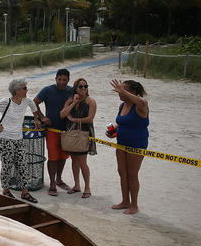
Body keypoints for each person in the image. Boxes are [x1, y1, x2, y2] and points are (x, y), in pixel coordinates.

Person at [0, 78, 42, 203]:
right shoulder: (6, 102)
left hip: (19, 139)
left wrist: (36, 119)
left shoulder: (26, 101)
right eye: (24, 88)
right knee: (7, 165)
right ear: (16, 90)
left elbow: (33, 106)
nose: (26, 90)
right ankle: (6, 191)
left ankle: (25, 193)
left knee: (23, 165)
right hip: (5, 139)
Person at [107, 79, 149, 215]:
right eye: (119, 89)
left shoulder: (140, 105)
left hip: (137, 144)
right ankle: (125, 201)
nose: (119, 92)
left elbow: (142, 102)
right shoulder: (122, 105)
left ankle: (134, 205)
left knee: (132, 174)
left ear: (132, 92)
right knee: (122, 172)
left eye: (123, 90)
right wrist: (113, 131)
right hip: (121, 143)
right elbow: (121, 122)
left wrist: (123, 91)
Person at [34, 69, 73, 196]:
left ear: (68, 80)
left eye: (64, 80)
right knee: (53, 157)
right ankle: (52, 182)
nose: (62, 82)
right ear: (55, 79)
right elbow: (34, 102)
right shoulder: (47, 90)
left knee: (63, 156)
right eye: (59, 79)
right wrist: (42, 117)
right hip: (51, 130)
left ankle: (59, 179)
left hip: (67, 130)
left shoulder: (71, 91)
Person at [60, 78, 97, 198]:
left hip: (84, 133)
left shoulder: (90, 101)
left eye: (85, 86)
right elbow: (62, 114)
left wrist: (75, 120)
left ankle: (87, 187)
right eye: (81, 87)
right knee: (74, 160)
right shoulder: (71, 100)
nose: (83, 89)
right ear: (75, 88)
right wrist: (74, 103)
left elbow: (90, 118)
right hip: (72, 133)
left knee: (82, 161)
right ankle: (77, 185)